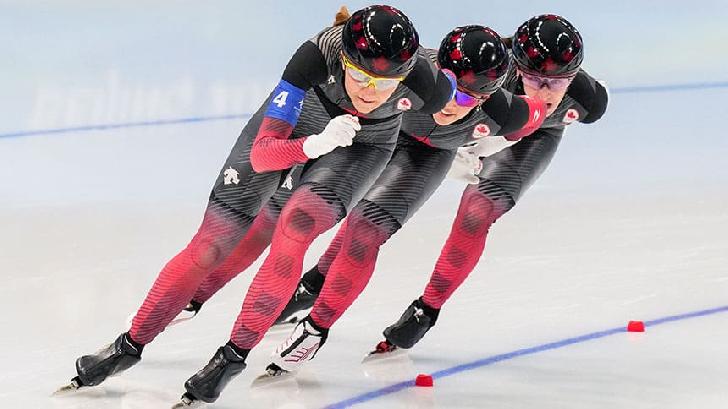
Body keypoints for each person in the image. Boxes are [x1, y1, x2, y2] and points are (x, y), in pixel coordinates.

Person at [61, 5, 453, 400]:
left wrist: (477, 146)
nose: (370, 91)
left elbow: (478, 113)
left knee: (295, 227)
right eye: (361, 76)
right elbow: (263, 154)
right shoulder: (312, 58)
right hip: (299, 125)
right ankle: (128, 344)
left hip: (363, 145)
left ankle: (231, 357)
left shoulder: (431, 87)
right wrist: (312, 145)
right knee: (211, 244)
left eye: (386, 84)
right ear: (345, 61)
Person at [273, 13, 608, 358]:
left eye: (559, 82)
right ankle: (314, 283)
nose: (546, 91)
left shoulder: (586, 100)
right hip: (460, 134)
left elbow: (540, 115)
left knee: (477, 211)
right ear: (516, 68)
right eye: (534, 79)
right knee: (369, 209)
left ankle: (426, 310)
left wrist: (477, 147)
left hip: (529, 136)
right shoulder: (483, 74)